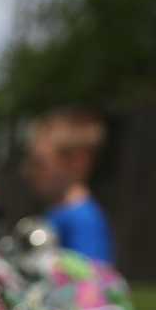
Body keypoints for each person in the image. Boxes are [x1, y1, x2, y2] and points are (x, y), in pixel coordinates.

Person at [25, 109, 114, 265]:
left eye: (39, 164)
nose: (28, 171)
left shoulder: (82, 220)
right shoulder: (58, 211)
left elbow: (90, 282)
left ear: (77, 162)